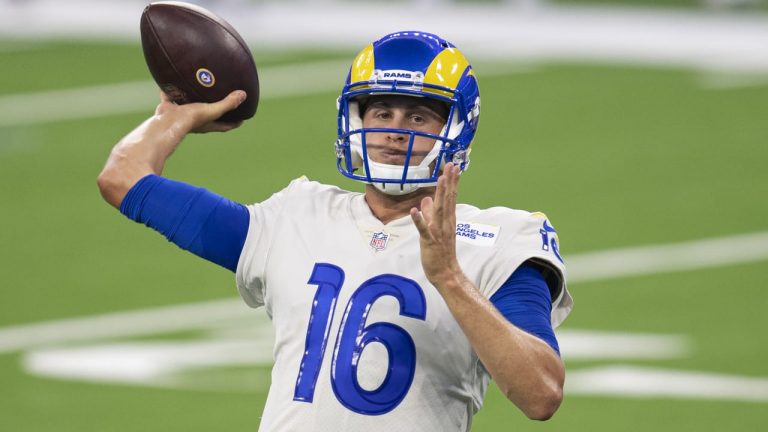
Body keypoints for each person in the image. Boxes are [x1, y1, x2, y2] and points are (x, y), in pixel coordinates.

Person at [98, 31, 573, 431]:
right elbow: (123, 177)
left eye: (418, 116)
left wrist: (449, 277)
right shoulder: (296, 215)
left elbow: (541, 393)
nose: (395, 131)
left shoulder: (499, 239)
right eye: (381, 112)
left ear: (455, 129)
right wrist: (172, 119)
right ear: (356, 119)